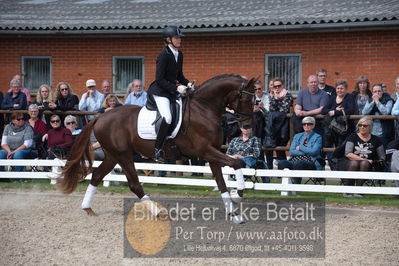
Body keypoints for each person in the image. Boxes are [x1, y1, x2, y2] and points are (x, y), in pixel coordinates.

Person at [147, 25, 193, 162]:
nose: (180, 40)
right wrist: (177, 88)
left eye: (179, 37)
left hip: (171, 91)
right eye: (177, 37)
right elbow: (160, 79)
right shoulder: (163, 56)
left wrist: (188, 83)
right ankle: (157, 149)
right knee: (166, 117)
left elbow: (179, 75)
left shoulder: (179, 54)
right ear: (168, 40)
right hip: (160, 92)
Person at [336, 117, 385, 197]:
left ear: (370, 127)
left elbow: (382, 156)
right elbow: (348, 153)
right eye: (360, 125)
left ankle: (358, 190)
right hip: (349, 163)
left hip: (369, 165)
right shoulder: (352, 137)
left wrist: (374, 161)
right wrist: (364, 159)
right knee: (355, 163)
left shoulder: (377, 140)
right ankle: (348, 190)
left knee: (364, 164)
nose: (362, 127)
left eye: (365, 125)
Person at [277, 116, 323, 185]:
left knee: (299, 163)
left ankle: (296, 184)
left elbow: (314, 152)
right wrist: (307, 151)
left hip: (310, 161)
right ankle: (286, 184)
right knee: (282, 163)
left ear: (313, 125)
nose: (306, 125)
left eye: (309, 124)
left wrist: (301, 147)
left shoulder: (317, 137)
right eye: (304, 124)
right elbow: (292, 151)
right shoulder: (297, 136)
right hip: (294, 160)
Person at [322, 79, 356, 170]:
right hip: (332, 129)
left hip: (344, 130)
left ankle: (342, 170)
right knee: (329, 148)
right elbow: (324, 110)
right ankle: (334, 169)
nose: (339, 90)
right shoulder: (333, 98)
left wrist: (335, 112)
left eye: (342, 88)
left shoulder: (350, 97)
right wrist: (335, 110)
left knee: (341, 150)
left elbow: (351, 110)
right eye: (338, 88)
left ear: (346, 89)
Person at [226, 122, 266, 199]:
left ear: (251, 129)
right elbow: (228, 153)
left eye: (248, 128)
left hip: (247, 161)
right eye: (244, 128)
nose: (246, 130)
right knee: (223, 162)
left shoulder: (255, 140)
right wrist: (234, 156)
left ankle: (237, 185)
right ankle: (223, 184)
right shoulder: (234, 140)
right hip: (233, 159)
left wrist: (242, 157)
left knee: (238, 162)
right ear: (241, 129)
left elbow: (256, 154)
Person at [264, 77, 293, 169]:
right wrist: (276, 99)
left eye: (278, 86)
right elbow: (272, 108)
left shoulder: (287, 95)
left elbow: (283, 109)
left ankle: (283, 170)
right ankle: (269, 170)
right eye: (274, 86)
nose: (276, 88)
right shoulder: (271, 95)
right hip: (273, 126)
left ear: (282, 86)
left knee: (281, 148)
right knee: (269, 148)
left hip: (284, 126)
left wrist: (276, 99)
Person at [0, 112, 35, 182]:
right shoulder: (7, 127)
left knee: (18, 154)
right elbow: (3, 143)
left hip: (27, 150)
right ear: (13, 121)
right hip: (10, 150)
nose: (21, 120)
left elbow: (27, 144)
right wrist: (9, 152)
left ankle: (18, 178)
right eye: (18, 119)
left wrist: (13, 152)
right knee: (1, 153)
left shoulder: (28, 127)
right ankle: (2, 177)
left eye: (22, 119)